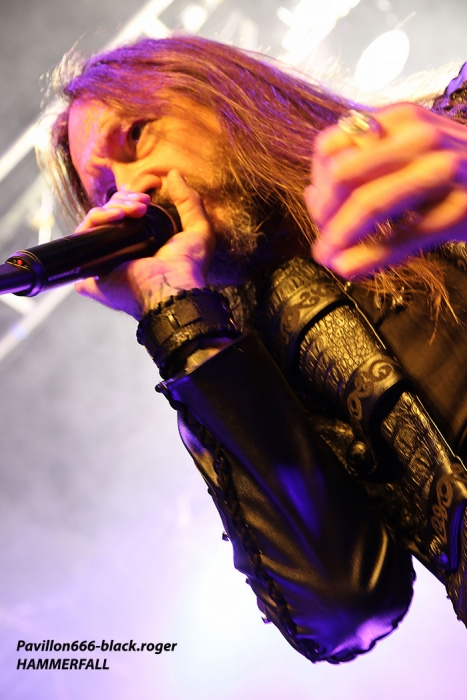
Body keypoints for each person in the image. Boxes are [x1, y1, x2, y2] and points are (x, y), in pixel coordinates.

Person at [43, 35, 467, 663]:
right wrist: (176, 319)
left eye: (135, 135)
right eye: (108, 194)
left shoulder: (451, 131)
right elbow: (345, 611)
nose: (135, 188)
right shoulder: (252, 385)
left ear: (217, 89)